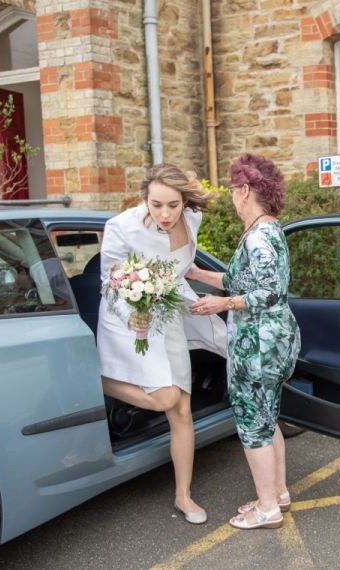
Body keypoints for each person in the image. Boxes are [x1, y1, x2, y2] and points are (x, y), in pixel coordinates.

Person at [97, 163, 227, 524]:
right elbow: (109, 285)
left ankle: (183, 496)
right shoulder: (122, 228)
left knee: (181, 410)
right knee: (166, 397)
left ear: (185, 200)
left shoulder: (194, 217)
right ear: (145, 199)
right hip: (130, 320)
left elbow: (181, 268)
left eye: (173, 205)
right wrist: (131, 315)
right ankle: (95, 379)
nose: (165, 214)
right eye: (156, 205)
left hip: (168, 315)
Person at [187, 153, 300, 530]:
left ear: (246, 190)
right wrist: (195, 272)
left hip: (258, 345)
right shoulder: (268, 230)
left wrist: (224, 304)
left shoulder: (258, 238)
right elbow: (242, 281)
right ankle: (278, 493)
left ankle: (266, 508)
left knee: (252, 422)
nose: (232, 196)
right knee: (268, 417)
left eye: (233, 189)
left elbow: (270, 291)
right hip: (273, 341)